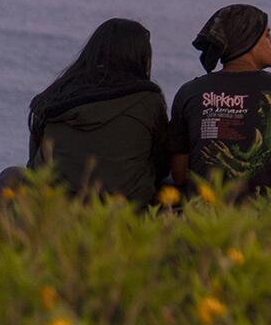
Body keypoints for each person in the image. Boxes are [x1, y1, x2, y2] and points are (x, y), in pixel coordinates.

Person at [11, 17, 169, 207]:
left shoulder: (56, 96)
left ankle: (17, 234)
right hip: (124, 210)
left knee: (9, 176)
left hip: (56, 208)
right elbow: (162, 164)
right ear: (141, 57)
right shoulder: (148, 101)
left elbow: (35, 165)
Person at [169, 4, 271, 198]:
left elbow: (179, 174)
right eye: (267, 35)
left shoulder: (190, 92)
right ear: (248, 40)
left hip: (208, 218)